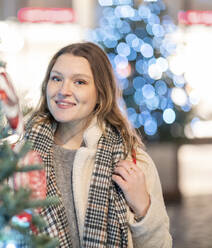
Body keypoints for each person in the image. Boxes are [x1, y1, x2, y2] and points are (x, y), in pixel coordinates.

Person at [24, 42, 172, 247]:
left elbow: (160, 244)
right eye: (56, 78)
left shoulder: (132, 162)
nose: (63, 90)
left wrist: (143, 208)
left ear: (100, 93)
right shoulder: (19, 156)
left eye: (80, 82)